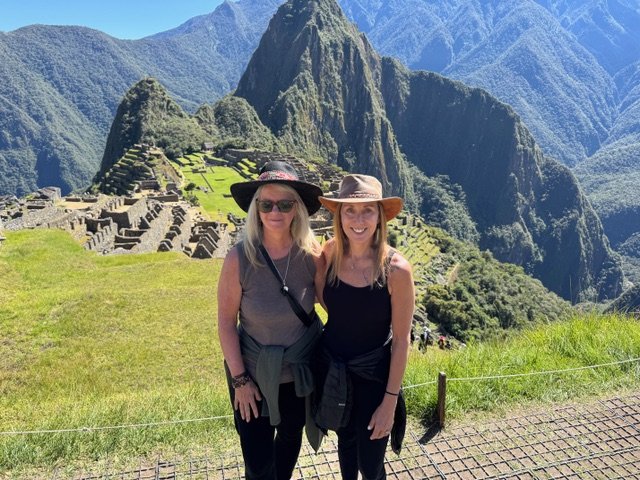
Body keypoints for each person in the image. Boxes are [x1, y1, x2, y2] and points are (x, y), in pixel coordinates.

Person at [217, 161, 324, 480]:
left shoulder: (312, 255)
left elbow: (337, 305)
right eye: (266, 204)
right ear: (257, 209)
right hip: (251, 376)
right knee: (258, 461)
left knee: (290, 441)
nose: (275, 211)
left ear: (297, 209)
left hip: (297, 378)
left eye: (285, 203)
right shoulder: (239, 258)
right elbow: (225, 322)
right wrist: (240, 380)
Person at [314, 174, 415, 480]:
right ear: (339, 216)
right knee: (345, 445)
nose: (358, 219)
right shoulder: (329, 254)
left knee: (370, 465)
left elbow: (401, 340)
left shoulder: (396, 270)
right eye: (350, 211)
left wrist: (390, 400)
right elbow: (326, 300)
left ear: (380, 216)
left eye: (368, 210)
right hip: (335, 370)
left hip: (373, 377)